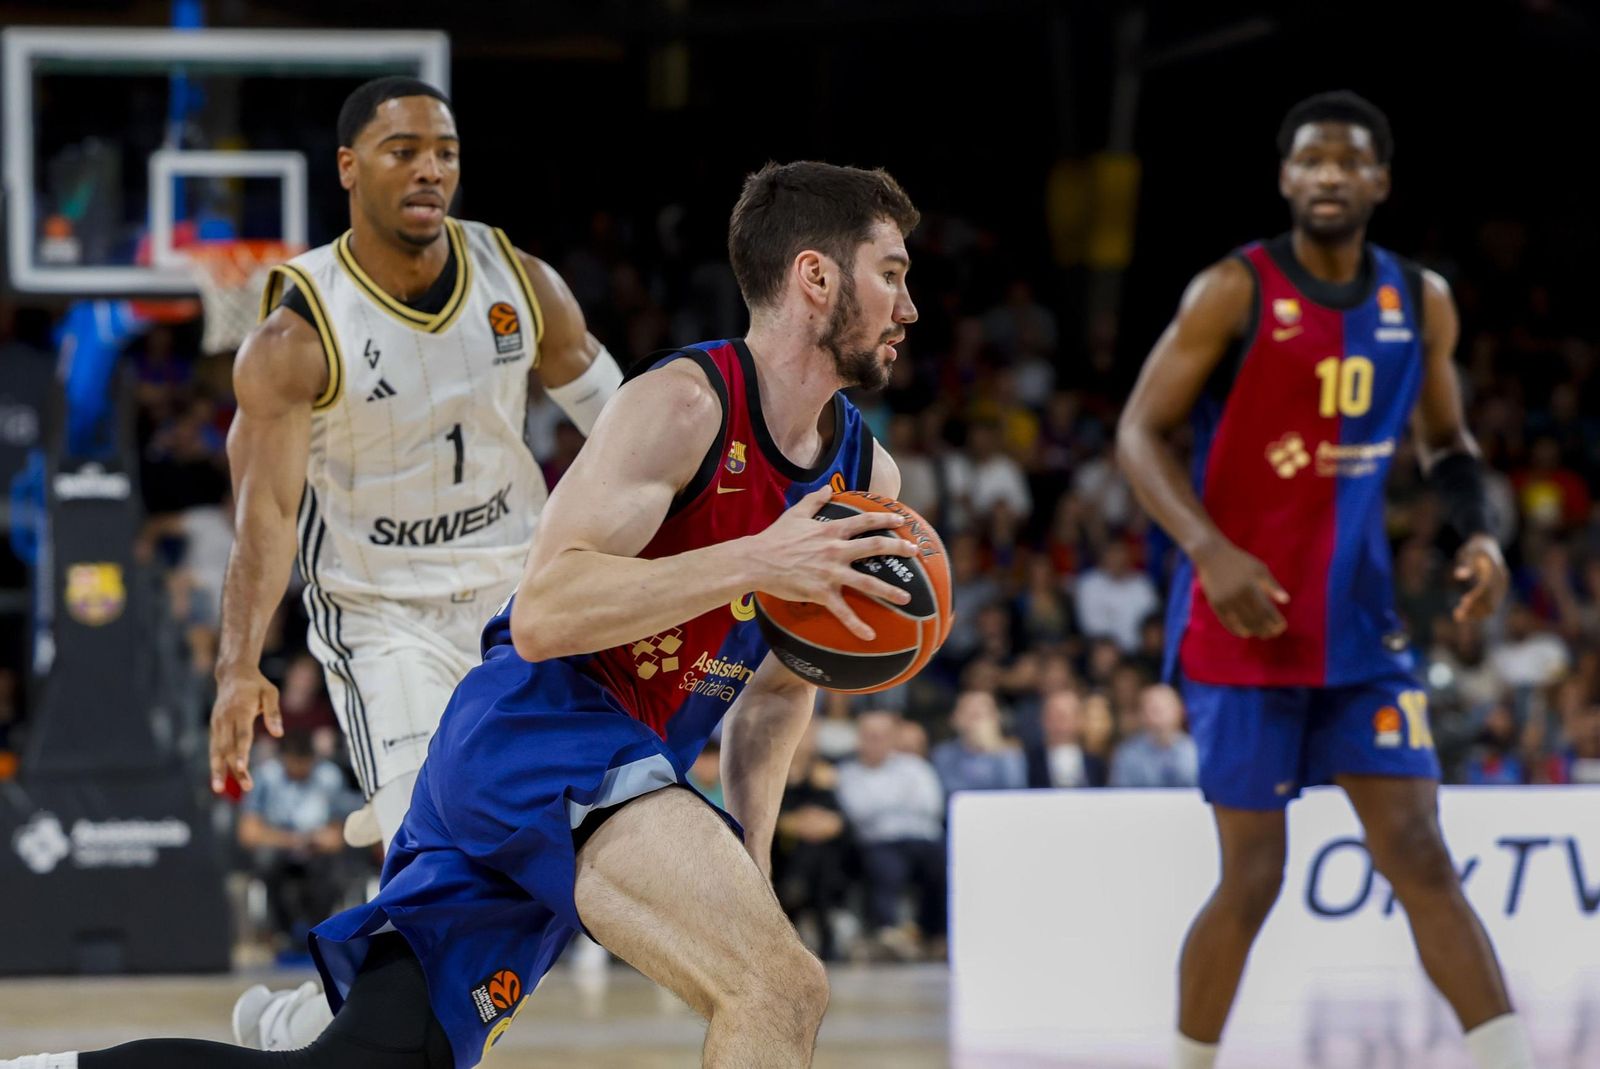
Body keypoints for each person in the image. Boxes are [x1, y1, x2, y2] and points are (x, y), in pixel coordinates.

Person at [3, 159, 920, 1069]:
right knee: (780, 988)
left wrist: (750, 856)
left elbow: (777, 691)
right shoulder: (683, 405)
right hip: (544, 734)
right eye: (891, 273)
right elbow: (544, 612)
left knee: (368, 1061)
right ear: (814, 276)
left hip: (611, 771)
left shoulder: (863, 477)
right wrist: (758, 558)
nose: (908, 307)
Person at [1116, 91, 1532, 1069]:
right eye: (1311, 161)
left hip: (1361, 629)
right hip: (1243, 624)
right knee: (1253, 874)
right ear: (1285, 179)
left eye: (1349, 161)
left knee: (1421, 854)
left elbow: (1446, 442)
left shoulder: (1419, 300)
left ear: (1380, 181)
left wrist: (1480, 532)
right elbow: (1138, 430)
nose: (1329, 176)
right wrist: (1208, 548)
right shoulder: (1233, 289)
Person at [207, 77, 622, 1046]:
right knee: (436, 858)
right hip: (381, 613)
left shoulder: (521, 282)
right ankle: (348, 1033)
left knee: (512, 878)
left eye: (445, 151)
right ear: (349, 168)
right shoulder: (295, 334)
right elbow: (266, 514)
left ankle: (302, 1020)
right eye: (403, 151)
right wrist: (237, 663)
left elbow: (626, 421)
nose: (430, 168)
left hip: (521, 600)